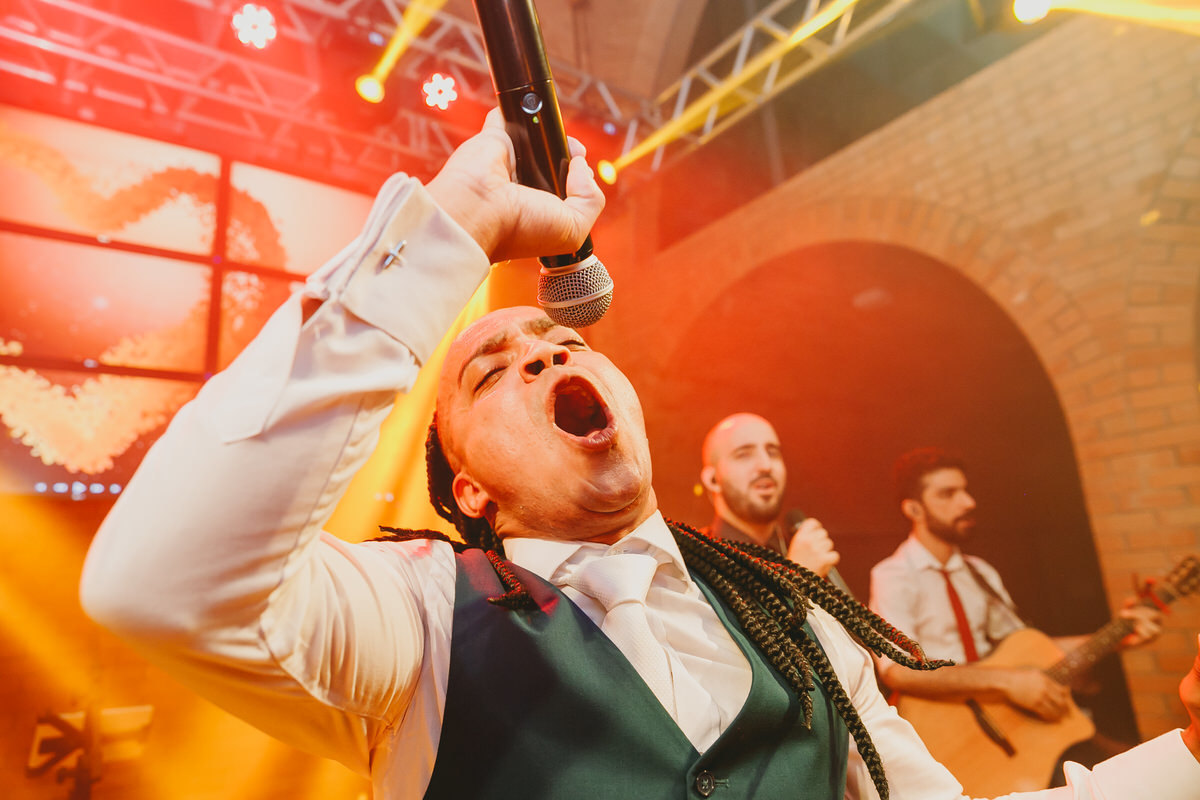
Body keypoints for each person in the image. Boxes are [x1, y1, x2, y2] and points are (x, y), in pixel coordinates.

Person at [80, 110, 1200, 799]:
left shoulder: (793, 616)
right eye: (488, 369)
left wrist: (1187, 755)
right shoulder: (418, 615)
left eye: (559, 342)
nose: (537, 353)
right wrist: (455, 224)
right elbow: (159, 582)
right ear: (467, 484)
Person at [868, 447, 1167, 782]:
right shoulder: (893, 575)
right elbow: (898, 670)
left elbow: (1030, 648)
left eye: (965, 490)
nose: (968, 502)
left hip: (1007, 724)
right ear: (913, 508)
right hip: (942, 730)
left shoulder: (979, 572)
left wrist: (1119, 636)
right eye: (948, 494)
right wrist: (1009, 681)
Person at [700, 412, 840, 578]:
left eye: (773, 453)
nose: (766, 465)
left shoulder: (804, 551)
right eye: (744, 454)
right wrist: (798, 577)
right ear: (713, 479)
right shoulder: (695, 559)